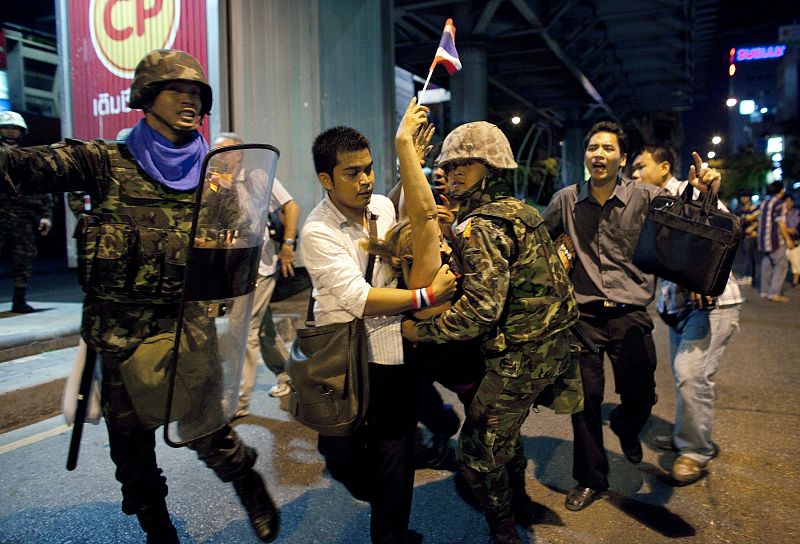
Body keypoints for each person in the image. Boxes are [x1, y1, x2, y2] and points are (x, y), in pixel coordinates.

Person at [0, 49, 279, 543]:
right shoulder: (105, 162)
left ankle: (247, 482)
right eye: (178, 90)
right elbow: (25, 167)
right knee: (131, 453)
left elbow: (236, 246)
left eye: (197, 93)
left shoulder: (213, 179)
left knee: (209, 433)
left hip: (184, 332)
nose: (190, 100)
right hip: (117, 338)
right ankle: (157, 529)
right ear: (147, 98)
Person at [402, 121, 582, 544]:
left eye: (470, 163)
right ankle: (518, 501)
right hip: (549, 345)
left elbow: (481, 312)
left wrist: (417, 333)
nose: (457, 171)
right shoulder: (519, 210)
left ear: (493, 167)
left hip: (519, 355)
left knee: (476, 453)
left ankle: (504, 531)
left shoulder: (480, 225)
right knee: (506, 435)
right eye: (452, 164)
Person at [299, 100, 456, 544]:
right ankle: (383, 484)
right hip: (341, 357)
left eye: (369, 169)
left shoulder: (383, 207)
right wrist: (425, 296)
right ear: (326, 180)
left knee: (393, 453)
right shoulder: (317, 231)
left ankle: (391, 533)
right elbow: (357, 297)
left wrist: (414, 164)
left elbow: (409, 230)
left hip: (392, 353)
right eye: (352, 172)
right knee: (338, 454)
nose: (365, 179)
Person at [542, 122, 720, 511]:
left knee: (640, 396)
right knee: (584, 400)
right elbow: (540, 240)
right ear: (585, 156)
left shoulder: (649, 197)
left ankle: (625, 425)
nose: (598, 154)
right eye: (592, 148)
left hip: (631, 315)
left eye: (608, 148)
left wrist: (707, 192)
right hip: (582, 317)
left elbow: (692, 224)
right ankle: (591, 479)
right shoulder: (566, 200)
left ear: (622, 158)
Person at [631, 143, 742, 484]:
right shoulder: (654, 202)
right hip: (678, 306)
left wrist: (709, 189)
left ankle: (695, 452)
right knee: (685, 379)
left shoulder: (686, 190)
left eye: (640, 167)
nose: (634, 174)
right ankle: (685, 437)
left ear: (664, 168)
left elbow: (719, 228)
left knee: (690, 374)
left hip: (712, 305)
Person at [209, 132, 300, 415]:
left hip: (259, 267)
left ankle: (237, 400)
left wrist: (288, 245)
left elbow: (291, 206)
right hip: (232, 268)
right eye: (215, 151)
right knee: (264, 329)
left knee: (243, 330)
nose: (217, 156)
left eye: (222, 151)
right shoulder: (215, 183)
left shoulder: (257, 177)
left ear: (239, 155)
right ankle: (291, 375)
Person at [0, 110, 53, 313]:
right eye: (6, 127)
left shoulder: (31, 156)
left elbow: (43, 185)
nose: (11, 132)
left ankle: (19, 300)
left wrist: (46, 216)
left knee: (24, 258)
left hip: (24, 216)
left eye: (15, 128)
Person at [757, 181, 794, 302]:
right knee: (781, 265)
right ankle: (774, 293)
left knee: (766, 265)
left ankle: (764, 291)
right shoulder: (779, 203)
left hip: (763, 240)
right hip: (775, 240)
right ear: (781, 190)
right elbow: (780, 223)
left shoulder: (764, 203)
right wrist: (788, 239)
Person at [734, 192, 760, 286]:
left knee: (749, 257)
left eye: (746, 197)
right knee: (748, 256)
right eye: (742, 197)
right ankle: (750, 277)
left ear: (749, 197)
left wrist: (751, 225)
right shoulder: (740, 209)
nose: (744, 199)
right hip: (743, 235)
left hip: (751, 236)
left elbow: (756, 219)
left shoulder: (755, 207)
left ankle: (749, 277)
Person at [783, 194, 799, 289]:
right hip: (783, 243)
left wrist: (784, 229)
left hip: (795, 242)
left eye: (790, 201)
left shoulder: (797, 213)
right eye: (786, 201)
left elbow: (794, 229)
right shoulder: (781, 213)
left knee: (795, 261)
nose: (788, 203)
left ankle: (795, 281)